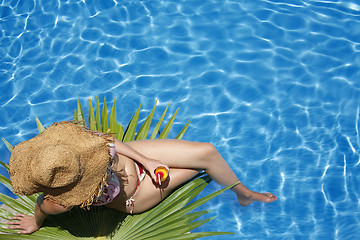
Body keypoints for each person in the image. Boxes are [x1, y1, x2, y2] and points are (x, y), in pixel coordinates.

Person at [6, 121, 277, 234]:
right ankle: (245, 196)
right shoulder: (59, 202)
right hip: (135, 196)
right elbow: (43, 206)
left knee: (207, 152)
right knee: (199, 168)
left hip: (139, 158)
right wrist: (35, 222)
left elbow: (108, 142)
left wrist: (146, 161)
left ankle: (244, 194)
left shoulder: (73, 150)